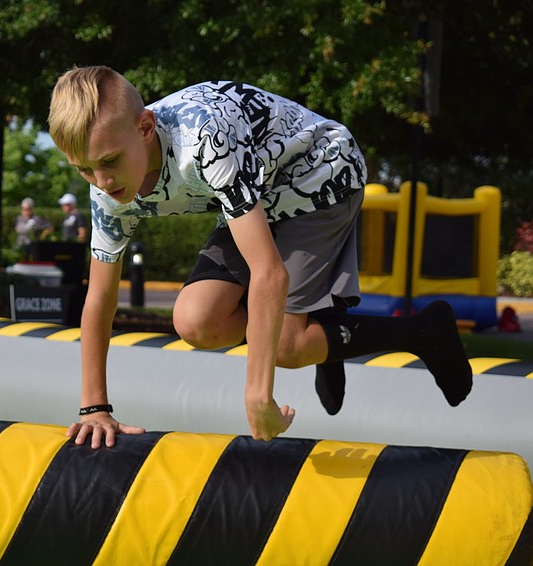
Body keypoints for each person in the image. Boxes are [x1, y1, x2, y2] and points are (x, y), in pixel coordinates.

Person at [47, 65, 472, 446]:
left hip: (320, 173)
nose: (101, 181)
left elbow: (268, 273)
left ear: (144, 128)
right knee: (195, 322)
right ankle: (324, 327)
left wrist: (258, 393)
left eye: (109, 161)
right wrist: (94, 408)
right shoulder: (107, 191)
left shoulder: (203, 142)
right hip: (258, 191)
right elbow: (98, 298)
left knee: (285, 347)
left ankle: (424, 330)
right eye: (83, 169)